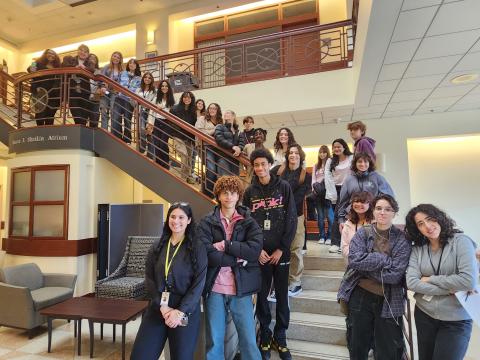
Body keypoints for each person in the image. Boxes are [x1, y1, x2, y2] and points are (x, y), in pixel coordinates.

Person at [337, 194, 411, 360]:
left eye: (387, 209)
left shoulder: (401, 239)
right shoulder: (363, 233)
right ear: (373, 210)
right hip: (360, 295)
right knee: (357, 344)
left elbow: (394, 275)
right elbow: (354, 260)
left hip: (389, 299)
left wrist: (367, 264)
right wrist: (384, 260)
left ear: (394, 213)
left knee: (386, 348)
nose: (382, 212)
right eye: (378, 208)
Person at [130, 202, 207, 360]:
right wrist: (163, 307)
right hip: (158, 306)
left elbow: (198, 284)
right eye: (172, 216)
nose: (176, 221)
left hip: (184, 310)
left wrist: (179, 311)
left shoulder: (197, 247)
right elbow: (149, 279)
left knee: (181, 356)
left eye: (181, 217)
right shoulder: (157, 245)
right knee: (140, 355)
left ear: (189, 220)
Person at [198, 176, 263, 360]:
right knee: (214, 342)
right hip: (214, 290)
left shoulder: (249, 221)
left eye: (233, 193)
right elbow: (206, 253)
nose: (229, 197)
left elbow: (254, 250)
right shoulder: (206, 222)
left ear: (238, 196)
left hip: (241, 290)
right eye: (224, 193)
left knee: (249, 341)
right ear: (218, 195)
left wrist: (226, 245)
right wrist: (237, 258)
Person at [243, 148, 297, 360]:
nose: (260, 168)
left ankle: (280, 335)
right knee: (262, 295)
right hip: (260, 255)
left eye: (263, 164)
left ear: (269, 164)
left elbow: (291, 218)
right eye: (256, 165)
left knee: (282, 295)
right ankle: (265, 334)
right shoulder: (250, 193)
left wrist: (281, 248)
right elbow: (246, 224)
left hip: (280, 252)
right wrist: (256, 251)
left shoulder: (283, 187)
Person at [405, 204, 478, 360]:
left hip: (455, 319)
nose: (428, 226)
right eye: (420, 224)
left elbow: (467, 281)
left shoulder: (461, 242)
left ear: (439, 218)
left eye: (430, 219)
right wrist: (451, 288)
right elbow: (411, 282)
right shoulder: (418, 249)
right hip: (424, 314)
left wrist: (430, 279)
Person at [272, 144, 311, 297]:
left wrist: (281, 204)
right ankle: (279, 281)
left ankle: (295, 282)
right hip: (277, 216)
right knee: (278, 249)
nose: (293, 155)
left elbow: (299, 197)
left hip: (296, 217)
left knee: (295, 249)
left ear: (300, 156)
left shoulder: (305, 175)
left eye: (296, 153)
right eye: (291, 153)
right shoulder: (277, 171)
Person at [336, 152, 394, 231]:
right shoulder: (349, 180)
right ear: (355, 163)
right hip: (353, 217)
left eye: (366, 161)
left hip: (373, 217)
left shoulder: (377, 177)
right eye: (360, 161)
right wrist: (341, 220)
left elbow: (388, 197)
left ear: (369, 163)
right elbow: (343, 202)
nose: (363, 164)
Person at [324, 138, 353, 253]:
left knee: (347, 215)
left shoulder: (351, 158)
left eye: (339, 146)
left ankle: (344, 242)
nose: (337, 149)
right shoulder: (330, 161)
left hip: (350, 188)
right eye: (334, 147)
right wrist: (332, 194)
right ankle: (336, 243)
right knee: (337, 215)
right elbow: (328, 177)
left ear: (344, 147)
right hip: (336, 189)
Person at [27, 49, 61, 126]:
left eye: (53, 54)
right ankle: (40, 132)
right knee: (40, 114)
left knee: (50, 115)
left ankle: (48, 133)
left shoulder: (58, 66)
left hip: (53, 94)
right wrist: (32, 67)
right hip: (40, 92)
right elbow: (30, 70)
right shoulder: (37, 62)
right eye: (49, 53)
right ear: (45, 54)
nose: (51, 55)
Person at [196, 103, 223, 196]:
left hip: (218, 149)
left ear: (218, 110)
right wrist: (215, 129)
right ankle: (207, 193)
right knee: (211, 169)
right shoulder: (202, 119)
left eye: (214, 108)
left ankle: (214, 193)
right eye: (210, 108)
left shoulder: (221, 121)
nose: (212, 110)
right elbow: (200, 132)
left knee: (219, 171)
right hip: (205, 146)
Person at [111, 58, 141, 143]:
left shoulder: (139, 78)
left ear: (136, 66)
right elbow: (117, 83)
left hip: (129, 100)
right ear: (128, 65)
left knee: (127, 119)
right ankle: (116, 137)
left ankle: (127, 139)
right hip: (119, 98)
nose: (132, 64)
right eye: (130, 63)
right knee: (116, 117)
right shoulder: (123, 73)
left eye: (134, 63)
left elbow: (136, 90)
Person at [170, 91, 197, 183]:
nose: (187, 99)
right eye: (185, 97)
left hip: (189, 138)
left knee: (189, 157)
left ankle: (187, 177)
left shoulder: (193, 110)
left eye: (189, 97)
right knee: (184, 154)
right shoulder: (175, 109)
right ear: (182, 98)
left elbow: (195, 124)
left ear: (191, 99)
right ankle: (182, 177)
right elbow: (172, 123)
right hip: (178, 136)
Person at [340, 191, 374, 262]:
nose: (359, 204)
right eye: (356, 201)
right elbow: (344, 247)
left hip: (372, 264)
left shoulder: (375, 223)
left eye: (363, 202)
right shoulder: (348, 224)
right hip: (354, 264)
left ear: (370, 204)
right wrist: (357, 257)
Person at [148, 80, 175, 169]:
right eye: (162, 86)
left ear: (169, 88)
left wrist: (163, 108)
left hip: (167, 123)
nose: (164, 87)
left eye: (166, 86)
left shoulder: (172, 99)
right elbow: (151, 111)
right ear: (160, 88)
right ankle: (159, 164)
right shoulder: (156, 98)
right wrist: (150, 124)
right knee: (157, 143)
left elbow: (173, 112)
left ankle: (166, 163)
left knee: (163, 143)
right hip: (157, 121)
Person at [311, 145, 333, 245]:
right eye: (320, 152)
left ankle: (329, 236)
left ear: (327, 153)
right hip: (318, 193)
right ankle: (322, 236)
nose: (322, 154)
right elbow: (313, 180)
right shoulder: (315, 166)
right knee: (320, 217)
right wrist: (314, 190)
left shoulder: (331, 165)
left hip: (327, 193)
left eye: (324, 152)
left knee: (329, 217)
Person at [69, 44, 94, 125]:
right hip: (72, 92)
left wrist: (84, 68)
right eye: (81, 50)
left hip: (85, 92)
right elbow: (65, 66)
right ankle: (80, 128)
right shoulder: (71, 59)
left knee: (84, 115)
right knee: (76, 114)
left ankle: (81, 130)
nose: (83, 53)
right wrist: (75, 67)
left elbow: (92, 70)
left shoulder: (90, 63)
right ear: (78, 51)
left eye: (85, 52)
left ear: (88, 54)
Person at [214, 109, 245, 176]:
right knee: (225, 180)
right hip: (223, 157)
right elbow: (219, 139)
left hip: (235, 159)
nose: (225, 114)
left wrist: (239, 148)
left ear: (233, 116)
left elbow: (242, 142)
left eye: (227, 113)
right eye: (224, 113)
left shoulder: (238, 131)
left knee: (235, 181)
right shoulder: (220, 126)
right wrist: (232, 146)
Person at [99, 51, 123, 130]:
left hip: (115, 93)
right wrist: (102, 86)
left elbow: (123, 82)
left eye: (118, 57)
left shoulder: (122, 70)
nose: (116, 58)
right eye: (114, 56)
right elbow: (101, 78)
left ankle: (113, 133)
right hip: (105, 92)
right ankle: (104, 131)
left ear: (120, 60)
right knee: (104, 112)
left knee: (114, 112)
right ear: (111, 57)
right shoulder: (106, 67)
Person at [135, 71, 156, 157]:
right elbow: (134, 100)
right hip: (141, 112)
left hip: (150, 113)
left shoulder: (155, 91)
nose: (147, 79)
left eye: (149, 78)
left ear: (151, 80)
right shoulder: (138, 89)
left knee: (150, 132)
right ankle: (142, 147)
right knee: (142, 130)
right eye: (145, 77)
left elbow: (154, 102)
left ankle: (150, 154)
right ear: (143, 79)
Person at [86, 53, 101, 128]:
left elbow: (102, 83)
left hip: (95, 99)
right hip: (84, 98)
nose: (92, 59)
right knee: (83, 120)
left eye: (94, 58)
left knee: (94, 120)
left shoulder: (99, 71)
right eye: (91, 58)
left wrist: (100, 88)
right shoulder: (84, 70)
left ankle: (93, 138)